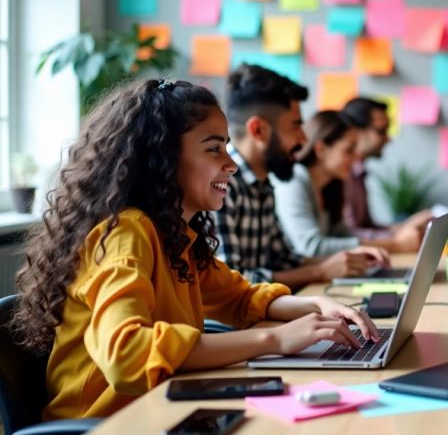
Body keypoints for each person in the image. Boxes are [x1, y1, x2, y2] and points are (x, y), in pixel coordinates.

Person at [10, 80, 379, 420]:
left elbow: (239, 298)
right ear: (164, 157)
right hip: (109, 425)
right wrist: (273, 339)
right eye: (214, 148)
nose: (232, 164)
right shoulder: (127, 232)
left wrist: (314, 307)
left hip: (160, 414)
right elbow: (125, 355)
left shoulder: (175, 236)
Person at [215, 65, 386, 290]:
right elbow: (231, 282)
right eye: (295, 126)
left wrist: (347, 260)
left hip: (265, 312)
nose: (304, 139)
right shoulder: (221, 184)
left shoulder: (264, 183)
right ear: (258, 130)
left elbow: (285, 260)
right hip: (232, 325)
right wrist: (321, 270)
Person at [274, 110, 417, 255]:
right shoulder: (294, 180)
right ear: (320, 149)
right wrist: (395, 245)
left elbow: (344, 236)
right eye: (349, 150)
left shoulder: (331, 186)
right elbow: (311, 247)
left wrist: (398, 235)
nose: (357, 159)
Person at [340, 97, 430, 250]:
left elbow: (366, 226)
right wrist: (398, 238)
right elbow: (348, 235)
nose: (388, 138)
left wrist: (402, 228)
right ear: (358, 132)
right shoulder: (342, 174)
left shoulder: (359, 173)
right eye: (382, 131)